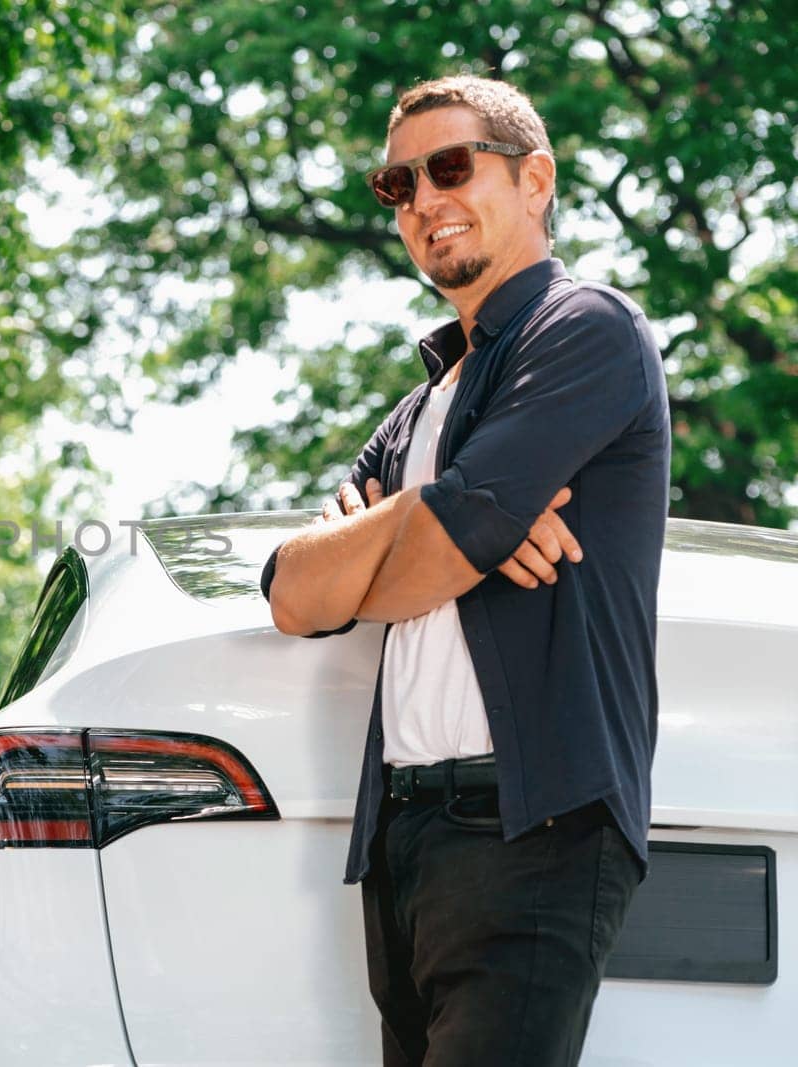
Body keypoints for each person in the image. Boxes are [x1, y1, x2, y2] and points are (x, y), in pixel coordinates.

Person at [261, 76, 670, 1065]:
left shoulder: (587, 330)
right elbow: (289, 593)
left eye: (450, 167)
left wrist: (436, 532)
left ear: (535, 180)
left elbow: (436, 555)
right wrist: (447, 502)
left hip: (531, 825)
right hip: (404, 831)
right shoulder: (416, 407)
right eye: (395, 184)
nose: (421, 200)